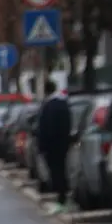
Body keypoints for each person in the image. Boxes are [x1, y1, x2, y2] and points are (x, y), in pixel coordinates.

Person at [35, 80, 72, 214]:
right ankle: (64, 199)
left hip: (51, 146)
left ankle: (61, 200)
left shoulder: (48, 106)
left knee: (56, 173)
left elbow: (45, 128)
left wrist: (42, 146)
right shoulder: (63, 103)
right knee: (62, 171)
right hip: (63, 144)